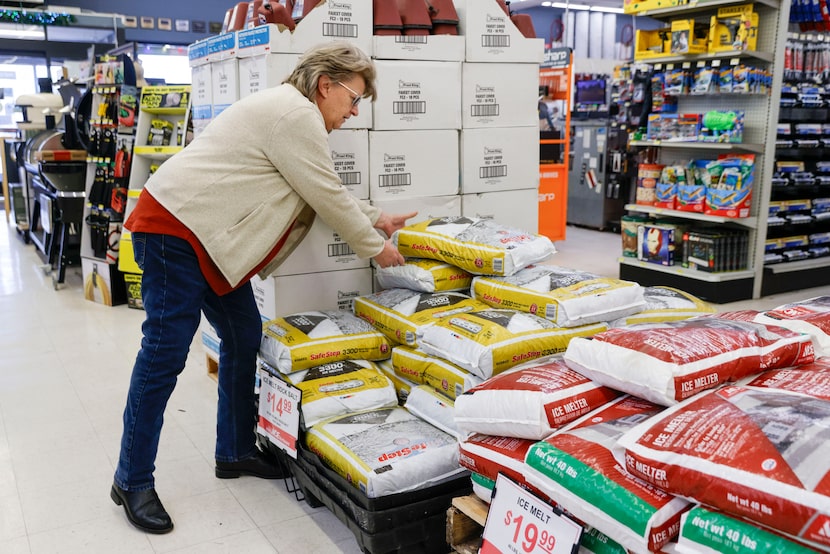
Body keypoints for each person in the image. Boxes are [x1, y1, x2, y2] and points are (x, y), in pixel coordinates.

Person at [111, 41, 416, 534]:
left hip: (206, 239)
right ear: (326, 86)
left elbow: (320, 187)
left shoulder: (291, 113)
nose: (355, 112)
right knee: (164, 354)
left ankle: (233, 450)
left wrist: (378, 217)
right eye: (354, 99)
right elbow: (326, 193)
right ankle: (132, 479)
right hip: (176, 231)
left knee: (243, 333)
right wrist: (376, 246)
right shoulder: (295, 115)